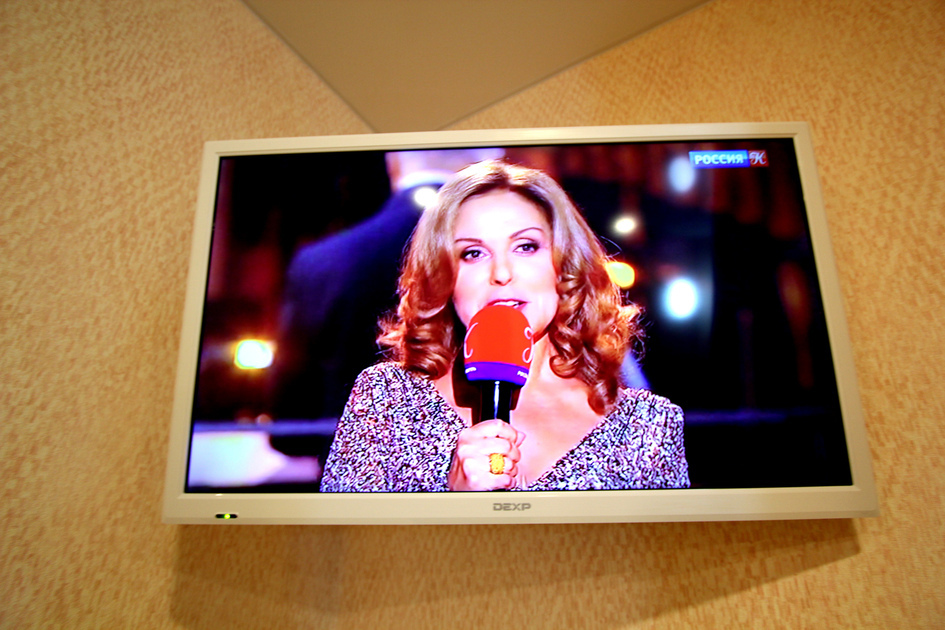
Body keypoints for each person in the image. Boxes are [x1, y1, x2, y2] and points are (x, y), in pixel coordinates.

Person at [320, 160, 689, 492]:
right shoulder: (387, 401)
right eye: (473, 253)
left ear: (564, 265)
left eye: (525, 247)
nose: (501, 273)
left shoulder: (647, 427)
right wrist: (452, 506)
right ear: (445, 277)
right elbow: (343, 545)